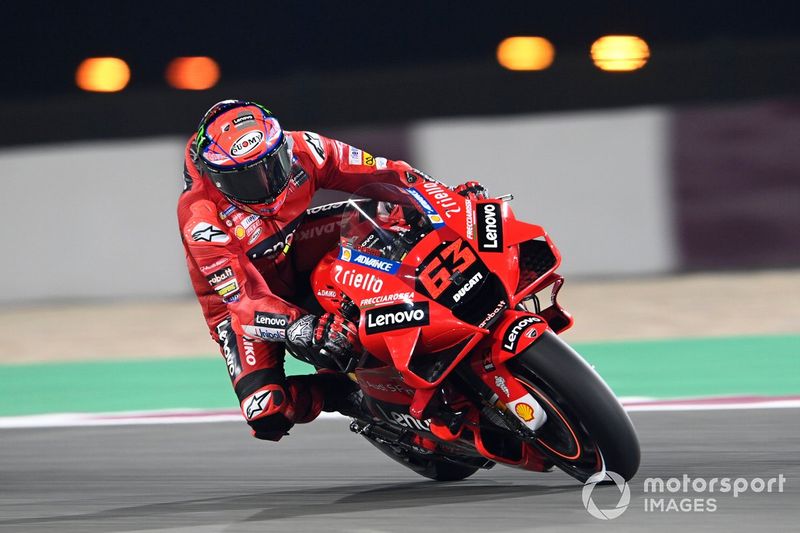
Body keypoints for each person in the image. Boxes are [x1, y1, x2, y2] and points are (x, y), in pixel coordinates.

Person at [177, 99, 482, 441]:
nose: (265, 184)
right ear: (217, 179)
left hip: (297, 248)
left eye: (272, 165)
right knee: (267, 413)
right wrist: (300, 326)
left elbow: (389, 173)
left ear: (283, 147)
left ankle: (435, 296)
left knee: (386, 212)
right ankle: (353, 397)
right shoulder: (200, 219)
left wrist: (451, 201)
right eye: (247, 179)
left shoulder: (307, 148)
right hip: (244, 307)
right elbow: (245, 302)